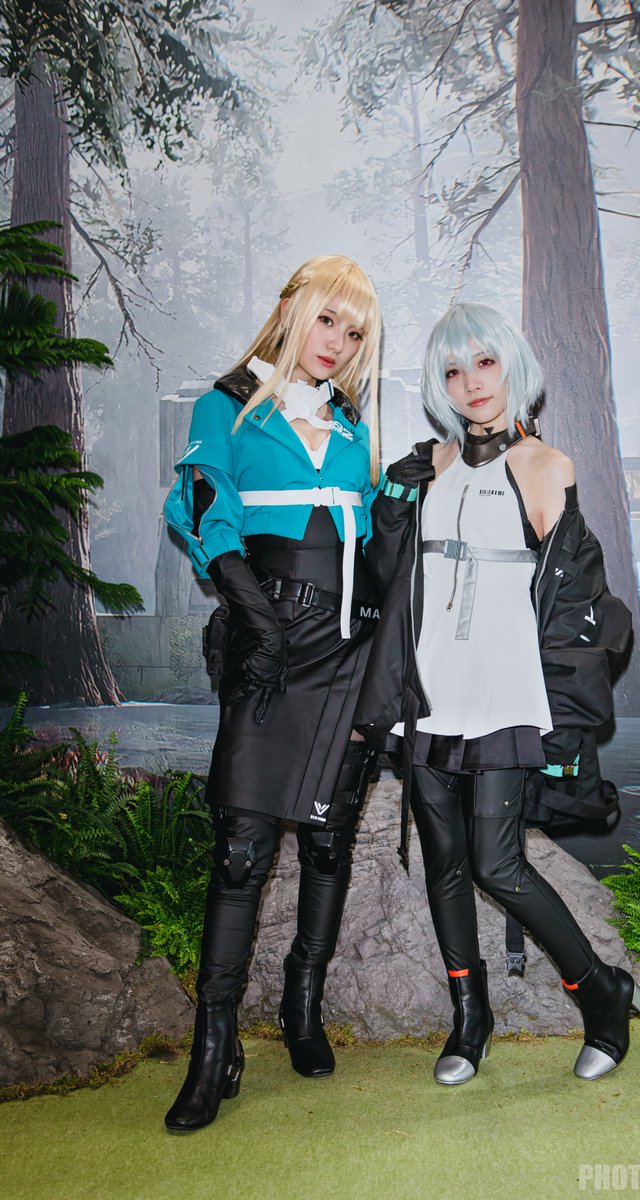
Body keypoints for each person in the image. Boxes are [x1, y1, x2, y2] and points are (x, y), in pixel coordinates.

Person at [355, 302, 640, 1087]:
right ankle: (469, 1017)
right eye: (453, 370)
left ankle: (600, 992)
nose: (471, 382)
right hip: (429, 692)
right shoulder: (427, 467)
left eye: (483, 362)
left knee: (497, 863)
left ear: (512, 365)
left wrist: (568, 720)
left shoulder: (547, 467)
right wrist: (391, 512)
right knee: (444, 862)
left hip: (506, 693)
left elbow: (575, 607)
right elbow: (386, 584)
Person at [162, 255, 382, 1132]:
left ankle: (302, 1004)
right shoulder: (226, 404)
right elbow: (200, 506)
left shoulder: (354, 423)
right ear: (291, 309)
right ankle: (213, 1046)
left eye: (354, 332)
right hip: (269, 638)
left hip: (349, 650)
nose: (338, 343)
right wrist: (255, 618)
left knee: (329, 839)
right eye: (327, 319)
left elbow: (375, 528)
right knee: (241, 850)